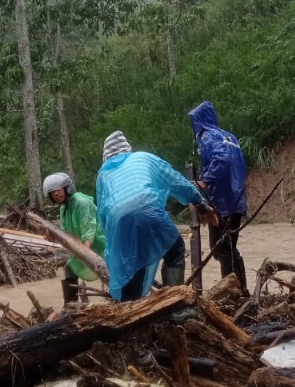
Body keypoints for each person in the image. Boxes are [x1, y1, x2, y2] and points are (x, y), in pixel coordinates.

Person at [96, 131, 218, 302]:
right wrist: (201, 204)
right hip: (149, 210)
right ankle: (174, 304)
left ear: (106, 156)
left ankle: (130, 311)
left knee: (132, 262)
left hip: (119, 223)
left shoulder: (103, 174)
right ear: (127, 149)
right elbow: (175, 180)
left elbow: (102, 212)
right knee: (174, 250)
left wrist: (112, 245)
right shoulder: (143, 158)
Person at [188, 101, 249, 295]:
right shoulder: (229, 136)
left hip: (222, 201)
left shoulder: (208, 137)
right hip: (236, 198)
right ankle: (239, 288)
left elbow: (221, 159)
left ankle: (234, 290)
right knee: (229, 246)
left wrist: (205, 181)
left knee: (221, 248)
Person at [42, 172, 107, 305]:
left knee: (110, 275)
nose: (56, 194)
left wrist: (86, 254)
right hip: (83, 249)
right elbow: (67, 235)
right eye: (53, 193)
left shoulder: (82, 203)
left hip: (102, 247)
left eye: (58, 191)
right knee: (69, 269)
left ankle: (123, 301)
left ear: (66, 189)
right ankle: (70, 307)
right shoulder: (63, 208)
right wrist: (53, 237)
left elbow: (89, 230)